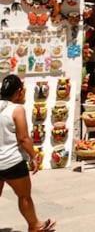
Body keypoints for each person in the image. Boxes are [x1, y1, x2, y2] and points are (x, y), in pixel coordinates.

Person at [0, 74, 54, 232]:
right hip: (12, 162)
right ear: (19, 91)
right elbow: (23, 138)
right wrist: (34, 156)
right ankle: (34, 225)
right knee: (24, 196)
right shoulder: (16, 110)